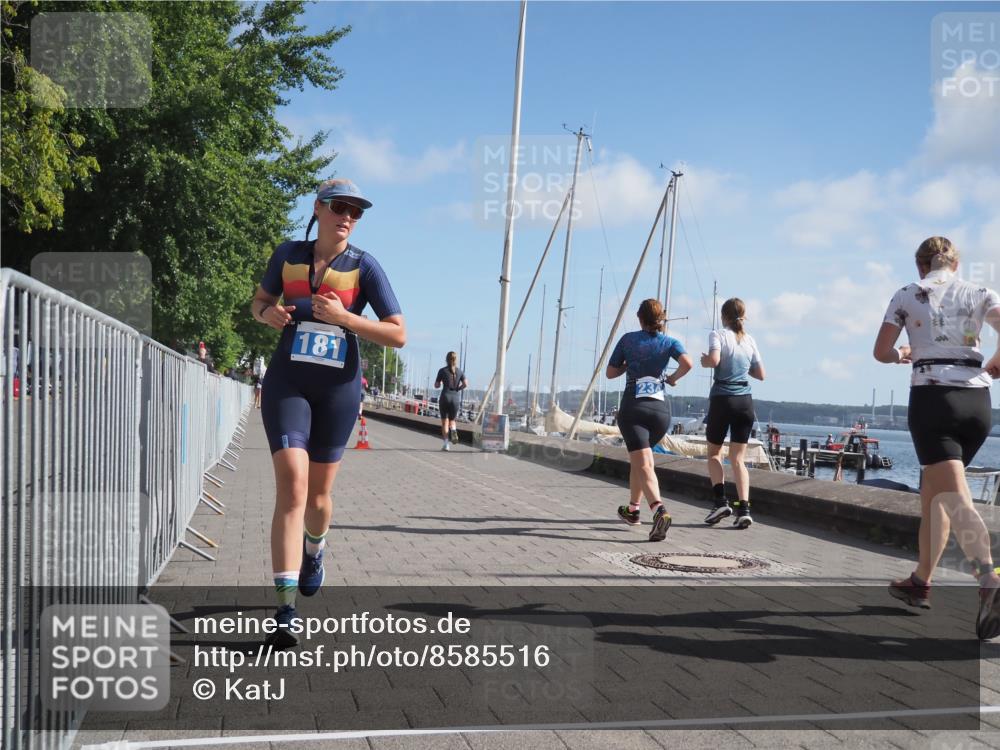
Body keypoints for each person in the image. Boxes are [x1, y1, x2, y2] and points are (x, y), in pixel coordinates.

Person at [251, 179, 405, 648]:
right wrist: (267, 315)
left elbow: (397, 335)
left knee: (318, 497)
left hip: (338, 389)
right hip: (288, 383)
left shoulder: (364, 266)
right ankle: (285, 608)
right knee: (292, 485)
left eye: (356, 212)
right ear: (318, 208)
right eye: (340, 207)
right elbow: (258, 302)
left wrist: (346, 319)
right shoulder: (287, 255)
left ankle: (314, 552)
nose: (348, 216)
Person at [873, 236, 1000, 638]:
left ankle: (990, 579)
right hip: (978, 403)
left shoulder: (908, 294)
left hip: (933, 398)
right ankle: (920, 581)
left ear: (920, 267)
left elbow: (881, 350)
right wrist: (996, 360)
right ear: (956, 265)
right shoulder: (980, 291)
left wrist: (903, 354)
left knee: (954, 497)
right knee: (936, 495)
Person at [607, 298, 693, 541]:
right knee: (640, 460)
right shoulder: (669, 342)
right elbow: (688, 363)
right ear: (661, 319)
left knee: (643, 463)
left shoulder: (628, 340)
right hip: (660, 412)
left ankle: (659, 511)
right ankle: (633, 510)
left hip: (634, 408)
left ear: (639, 317)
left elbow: (610, 372)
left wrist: (625, 366)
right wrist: (673, 378)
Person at [700, 298, 765, 529]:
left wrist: (705, 361)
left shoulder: (717, 335)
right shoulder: (750, 340)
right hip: (745, 402)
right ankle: (744, 509)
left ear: (724, 316)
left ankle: (720, 502)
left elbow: (715, 360)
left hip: (722, 399)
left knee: (714, 454)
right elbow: (760, 374)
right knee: (738, 459)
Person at [434, 352, 467, 451]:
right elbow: (465, 384)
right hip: (455, 398)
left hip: (445, 396)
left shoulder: (442, 371)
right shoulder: (460, 371)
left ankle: (446, 444)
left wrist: (439, 383)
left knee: (445, 422)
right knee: (452, 420)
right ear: (455, 360)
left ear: (446, 359)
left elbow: (436, 385)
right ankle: (453, 429)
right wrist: (458, 389)